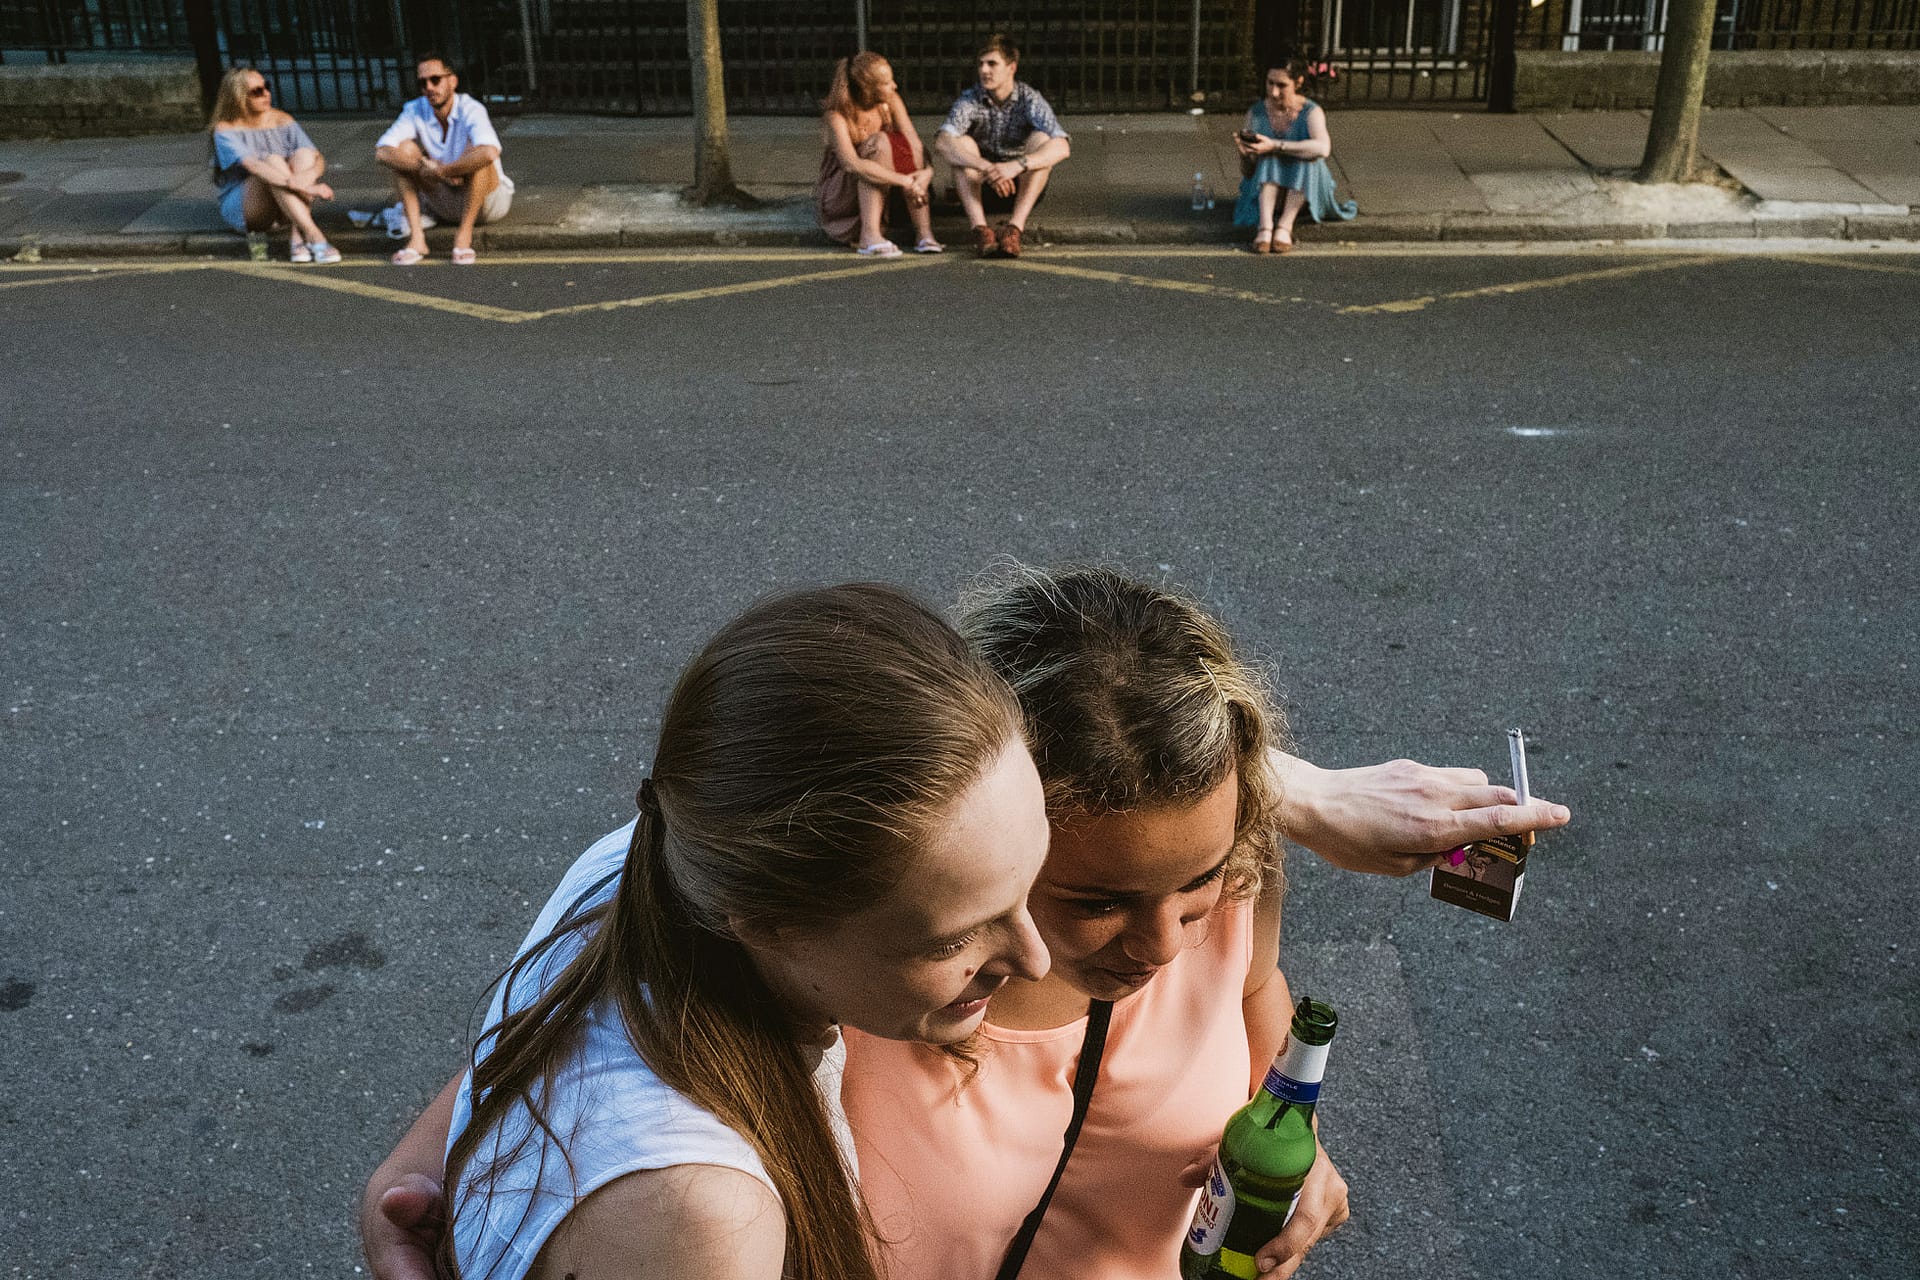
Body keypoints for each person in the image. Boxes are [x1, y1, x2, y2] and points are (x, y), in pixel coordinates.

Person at [360, 570, 1571, 1280]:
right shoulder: (834, 986)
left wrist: (1289, 794)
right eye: (1082, 894)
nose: (1156, 944)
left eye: (1197, 885)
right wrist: (428, 1180)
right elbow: (816, 748)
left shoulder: (1216, 881)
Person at [423, 583, 1052, 1280]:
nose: (1035, 958)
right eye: (951, 941)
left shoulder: (649, 859)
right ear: (768, 924)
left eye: (1033, 884)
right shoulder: (700, 1221)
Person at [935, 34, 1071, 259]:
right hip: (981, 187)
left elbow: (1062, 146)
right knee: (961, 145)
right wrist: (987, 167)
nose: (984, 70)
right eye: (980, 64)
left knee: (1043, 140)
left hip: (1020, 187)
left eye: (992, 64)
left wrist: (1016, 166)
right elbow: (942, 142)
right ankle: (981, 231)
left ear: (1011, 68)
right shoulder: (971, 99)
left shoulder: (1029, 98)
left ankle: (1014, 229)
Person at [375, 53, 514, 266]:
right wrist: (422, 168)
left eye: (435, 80)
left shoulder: (471, 108)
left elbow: (489, 153)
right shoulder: (415, 109)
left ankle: (464, 237)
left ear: (453, 81)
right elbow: (382, 152)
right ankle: (417, 239)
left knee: (479, 156)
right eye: (423, 83)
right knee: (402, 153)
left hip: (489, 203)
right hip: (446, 200)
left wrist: (444, 171)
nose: (429, 87)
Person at [207, 67, 340, 264]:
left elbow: (317, 158)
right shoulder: (226, 129)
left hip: (285, 206)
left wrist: (309, 175)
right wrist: (308, 187)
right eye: (257, 91)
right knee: (271, 161)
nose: (266, 94)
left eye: (267, 87)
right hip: (248, 209)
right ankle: (314, 235)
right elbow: (254, 166)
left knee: (304, 155)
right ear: (239, 97)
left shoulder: (282, 119)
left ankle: (297, 235)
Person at [816, 51, 941, 258]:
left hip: (890, 189)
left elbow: (915, 145)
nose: (894, 86)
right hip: (844, 195)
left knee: (904, 145)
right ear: (867, 89)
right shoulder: (836, 117)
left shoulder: (890, 102)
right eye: (886, 83)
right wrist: (905, 181)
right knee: (880, 144)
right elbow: (852, 165)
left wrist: (926, 175)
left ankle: (924, 233)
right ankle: (869, 235)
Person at [1233, 57, 1356, 255]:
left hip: (1306, 186)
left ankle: (1284, 226)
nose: (1273, 92)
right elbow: (1249, 173)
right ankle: (1265, 227)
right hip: (1268, 188)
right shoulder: (1256, 113)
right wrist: (1246, 156)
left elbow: (1323, 149)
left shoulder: (1311, 111)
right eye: (1270, 83)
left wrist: (1276, 145)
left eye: (1282, 85)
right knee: (1268, 157)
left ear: (1298, 82)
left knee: (1307, 158)